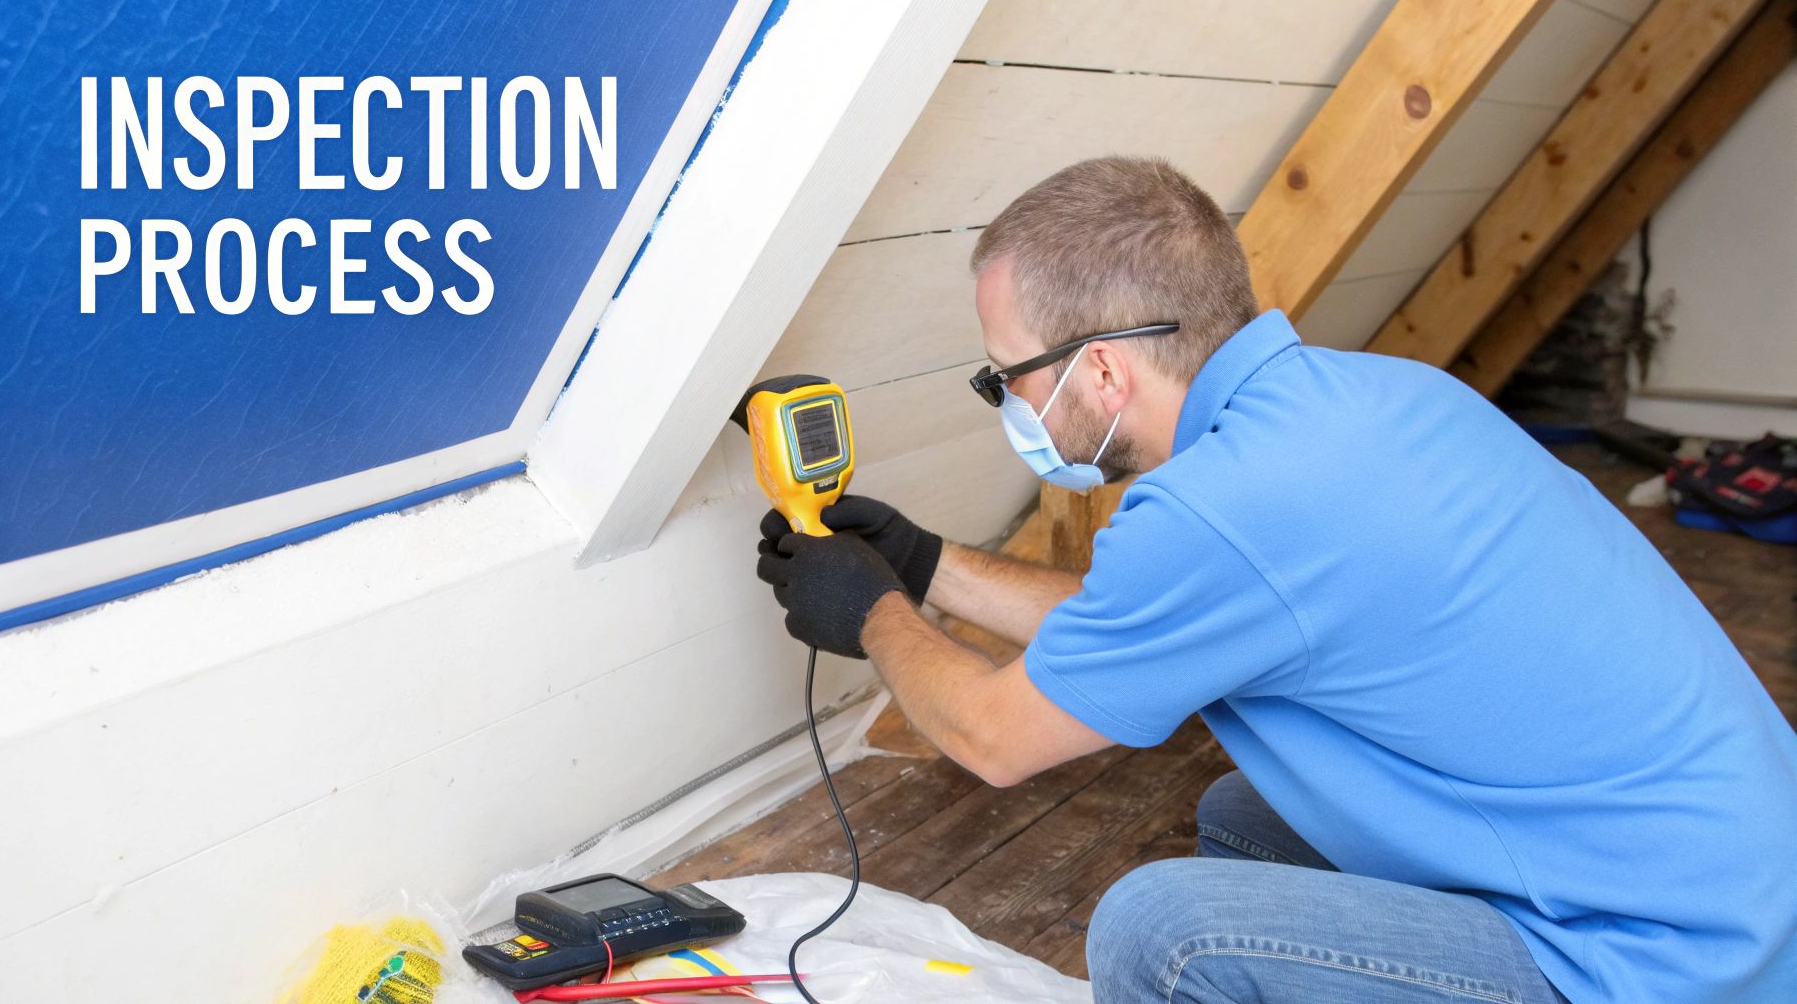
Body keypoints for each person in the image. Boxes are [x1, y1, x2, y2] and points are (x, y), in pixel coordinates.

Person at [752, 156, 1797, 1003]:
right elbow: (1148, 626)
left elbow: (993, 738)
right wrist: (927, 566)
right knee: (1246, 818)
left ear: (1102, 367)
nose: (1008, 402)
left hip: (1664, 964)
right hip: (1738, 887)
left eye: (1006, 375)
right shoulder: (1367, 401)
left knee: (1163, 931)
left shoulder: (1224, 507)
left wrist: (870, 613)